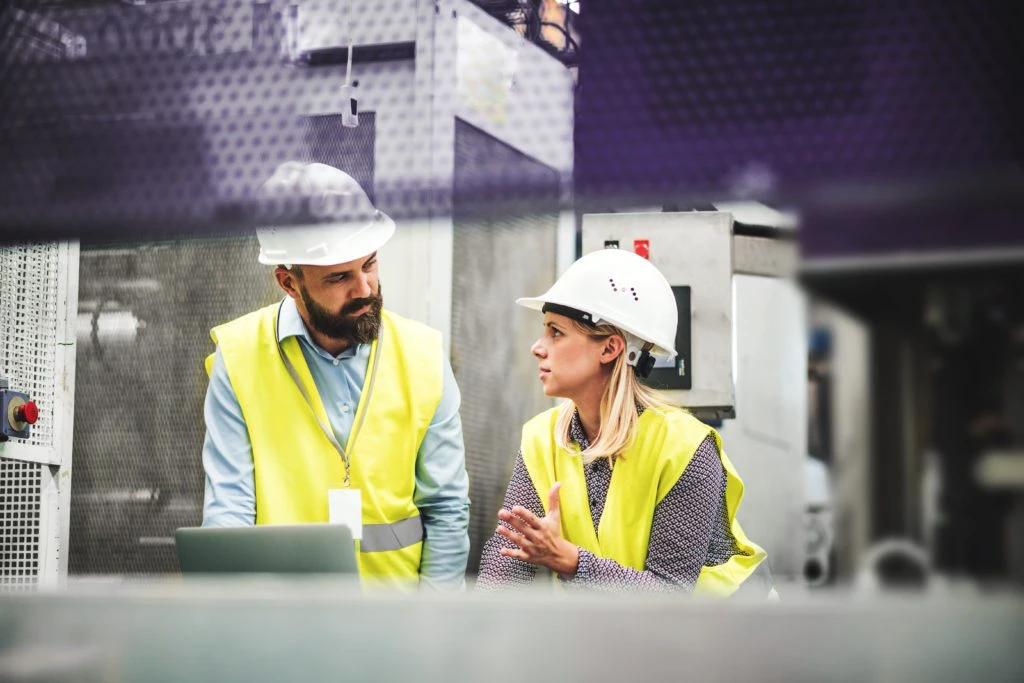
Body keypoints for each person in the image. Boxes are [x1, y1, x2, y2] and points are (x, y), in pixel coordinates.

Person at [201, 161, 470, 590]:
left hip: (397, 629)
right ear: (289, 282)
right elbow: (228, 511)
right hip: (282, 628)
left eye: (370, 264)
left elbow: (446, 510)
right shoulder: (238, 357)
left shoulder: (424, 356)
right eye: (340, 277)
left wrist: (431, 629)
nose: (364, 289)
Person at [476, 248, 772, 595]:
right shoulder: (542, 439)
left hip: (730, 639)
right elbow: (505, 562)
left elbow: (671, 594)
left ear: (610, 348)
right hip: (629, 637)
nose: (537, 348)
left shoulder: (685, 448)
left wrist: (571, 561)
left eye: (556, 332)